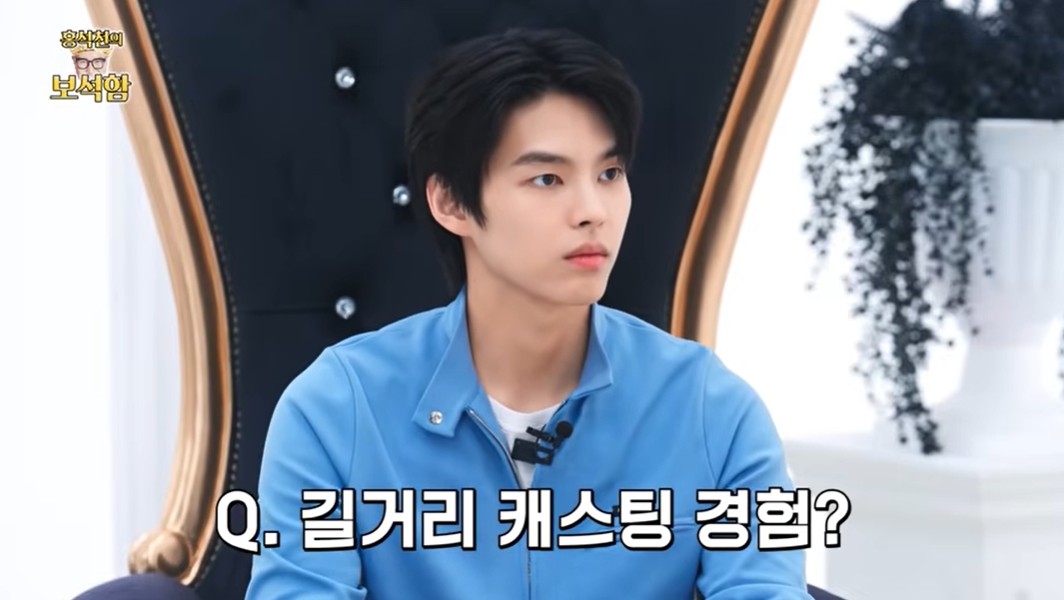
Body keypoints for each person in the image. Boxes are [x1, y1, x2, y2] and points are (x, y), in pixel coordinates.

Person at [246, 27, 813, 600]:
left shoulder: (712, 410)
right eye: (547, 178)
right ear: (451, 202)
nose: (592, 211)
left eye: (610, 174)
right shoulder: (337, 409)